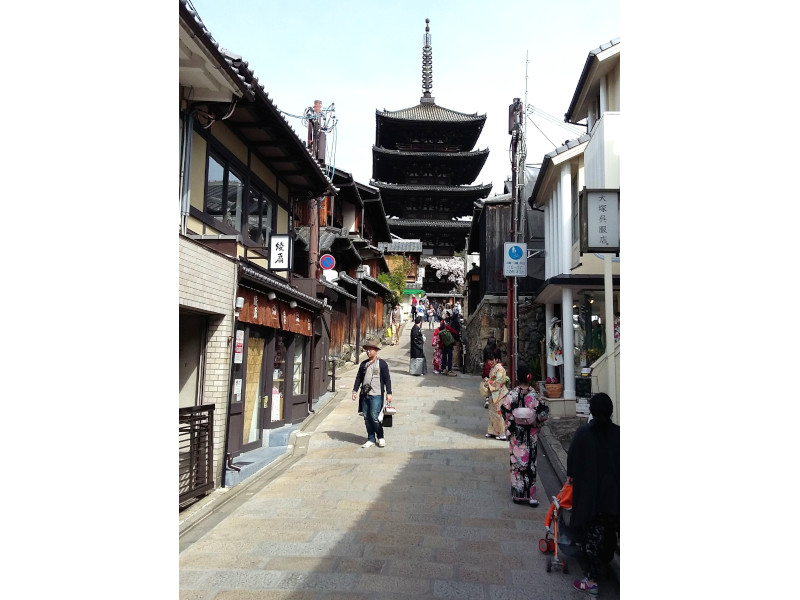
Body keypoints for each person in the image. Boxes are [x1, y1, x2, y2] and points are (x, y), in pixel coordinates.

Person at [567, 393, 620, 597]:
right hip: (615, 496)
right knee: (610, 532)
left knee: (593, 537)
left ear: (591, 411)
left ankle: (591, 580)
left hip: (592, 496)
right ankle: (606, 565)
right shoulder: (619, 434)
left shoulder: (584, 433)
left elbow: (572, 463)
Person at [500, 364, 550, 507]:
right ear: (529, 377)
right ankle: (531, 496)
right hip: (530, 434)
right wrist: (535, 420)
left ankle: (517, 494)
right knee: (530, 464)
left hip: (517, 433)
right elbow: (544, 413)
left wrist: (511, 423)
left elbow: (505, 410)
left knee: (516, 464)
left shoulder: (513, 394)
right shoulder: (534, 395)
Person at [351, 334, 393, 448]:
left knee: (374, 416)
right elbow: (358, 378)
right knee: (366, 416)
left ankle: (380, 436)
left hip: (377, 394)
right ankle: (370, 438)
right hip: (365, 394)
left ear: (376, 351)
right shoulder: (363, 364)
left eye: (370, 350)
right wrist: (354, 391)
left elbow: (387, 379)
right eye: (367, 350)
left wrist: (389, 393)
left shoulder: (382, 364)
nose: (368, 352)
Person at [482, 348, 508, 440]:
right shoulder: (494, 368)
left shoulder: (500, 369)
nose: (490, 362)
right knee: (492, 412)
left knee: (499, 413)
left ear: (497, 359)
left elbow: (499, 381)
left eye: (492, 360)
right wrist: (488, 381)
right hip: (495, 393)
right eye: (488, 360)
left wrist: (489, 382)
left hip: (500, 394)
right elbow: (493, 380)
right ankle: (492, 431)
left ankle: (502, 433)